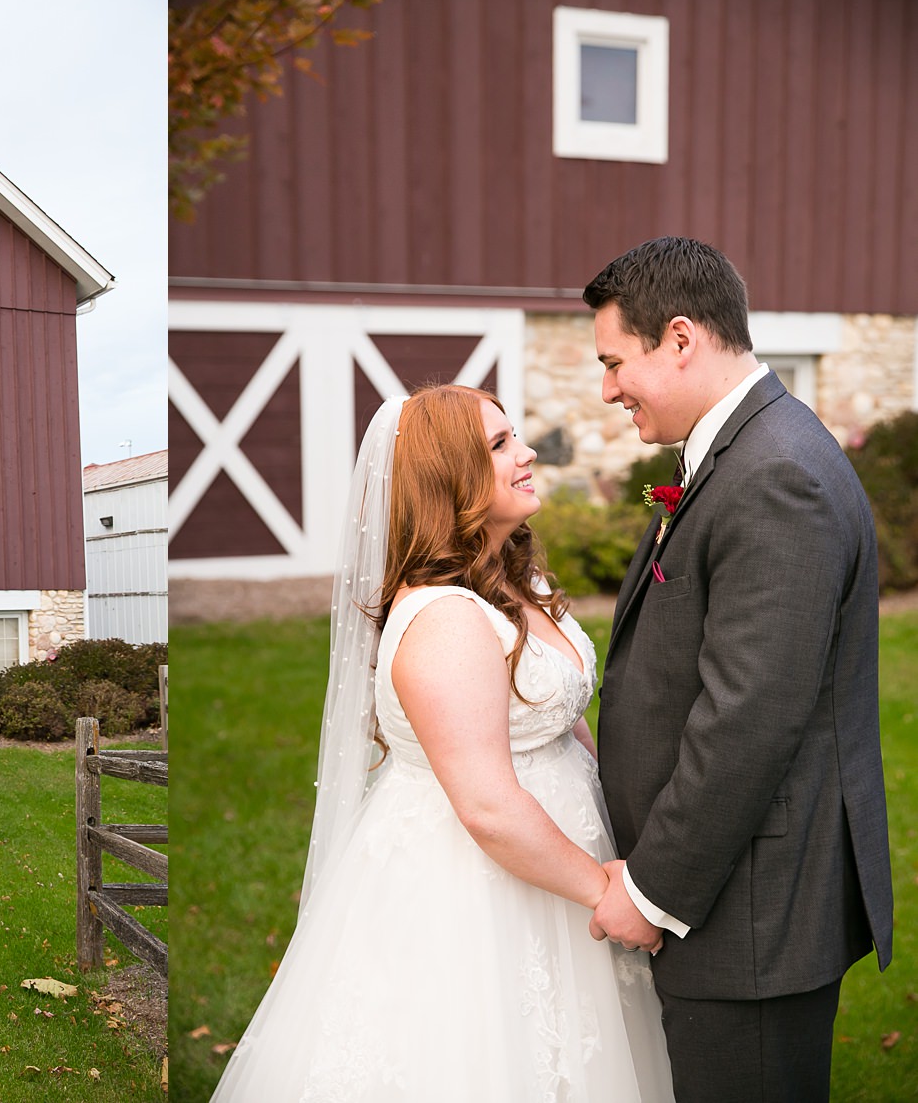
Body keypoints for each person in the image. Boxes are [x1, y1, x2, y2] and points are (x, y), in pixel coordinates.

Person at [208, 385, 673, 1101]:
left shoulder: (515, 578)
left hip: (558, 856)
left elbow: (558, 712)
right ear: (449, 478)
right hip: (479, 889)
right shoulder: (445, 620)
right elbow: (486, 804)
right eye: (498, 446)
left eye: (514, 436)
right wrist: (606, 892)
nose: (525, 455)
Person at [584, 236, 893, 1102]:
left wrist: (651, 892)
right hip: (735, 900)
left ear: (680, 339)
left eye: (615, 361)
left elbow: (749, 721)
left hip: (749, 915)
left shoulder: (775, 475)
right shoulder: (745, 450)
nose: (606, 388)